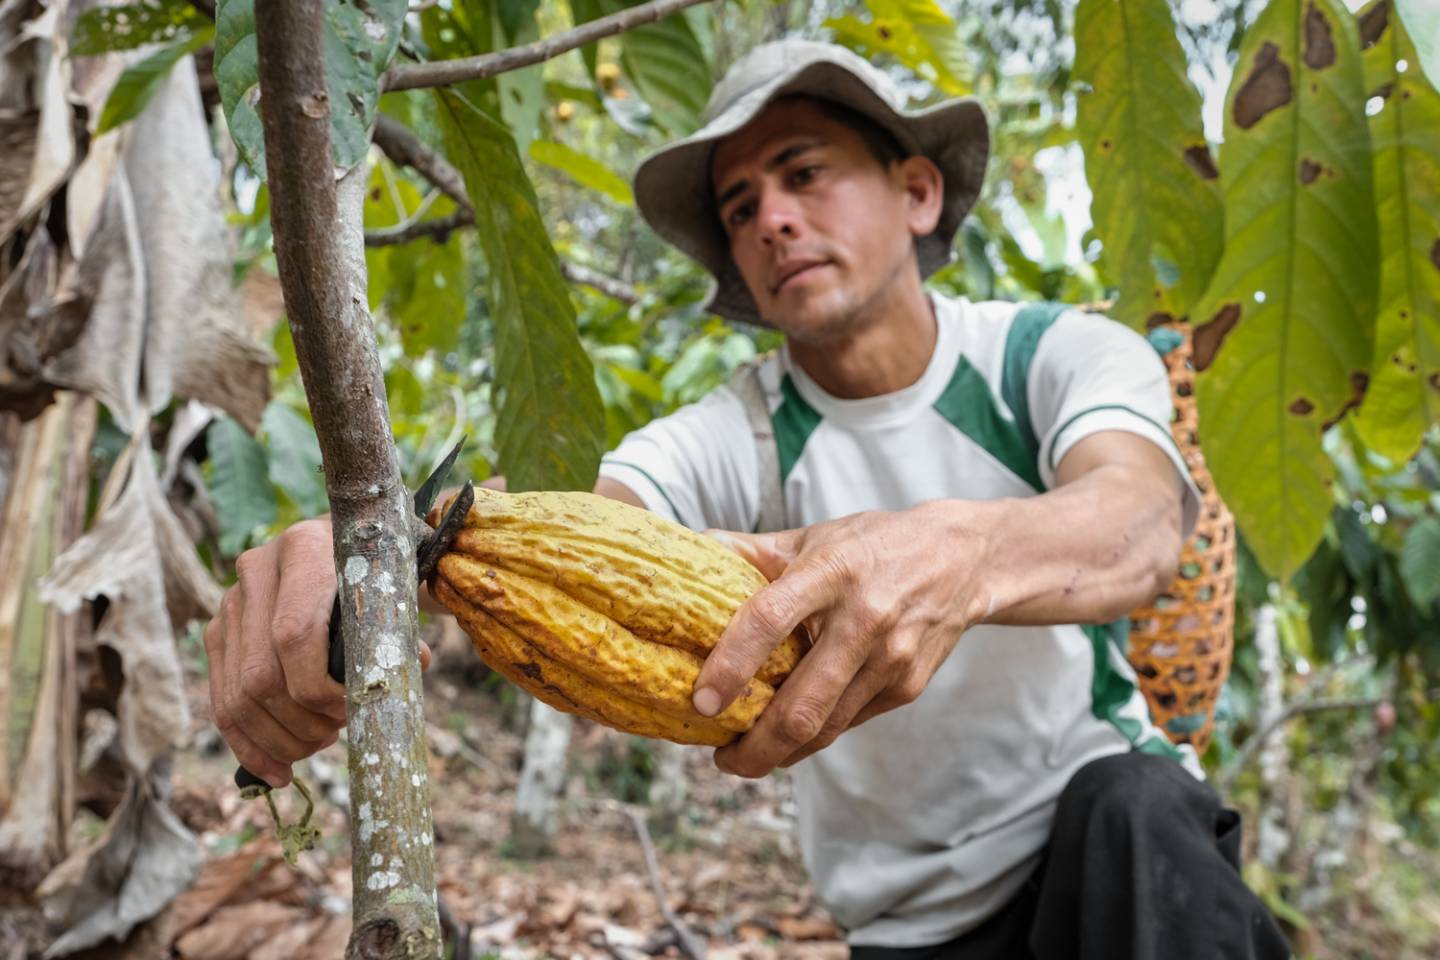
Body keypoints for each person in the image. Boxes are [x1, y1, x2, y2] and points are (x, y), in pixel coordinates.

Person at [205, 39, 1290, 960]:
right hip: (905, 927)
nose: (772, 218)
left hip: (1109, 865)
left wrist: (958, 552)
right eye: (741, 204)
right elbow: (588, 531)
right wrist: (379, 541)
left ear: (917, 192)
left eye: (805, 174)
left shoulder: (1048, 357)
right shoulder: (738, 431)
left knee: (1136, 811)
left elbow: (1141, 523)